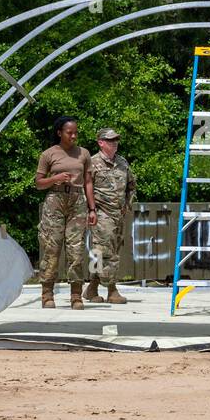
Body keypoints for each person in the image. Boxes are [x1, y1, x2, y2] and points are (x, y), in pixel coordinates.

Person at [35, 116, 97, 309]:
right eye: (69, 132)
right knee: (51, 248)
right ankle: (47, 294)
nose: (73, 136)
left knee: (76, 250)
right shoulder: (48, 154)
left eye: (76, 132)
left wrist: (92, 208)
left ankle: (76, 295)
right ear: (59, 133)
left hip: (77, 201)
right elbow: (38, 183)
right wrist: (56, 178)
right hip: (55, 200)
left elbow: (88, 182)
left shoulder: (84, 154)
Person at [86, 127, 137, 305]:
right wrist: (91, 210)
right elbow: (86, 187)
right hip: (101, 214)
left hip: (118, 215)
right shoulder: (92, 163)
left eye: (116, 140)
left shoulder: (122, 163)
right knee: (106, 253)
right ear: (101, 142)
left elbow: (132, 185)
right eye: (110, 140)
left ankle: (92, 287)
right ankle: (111, 289)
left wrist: (126, 206)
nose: (114, 143)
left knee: (104, 252)